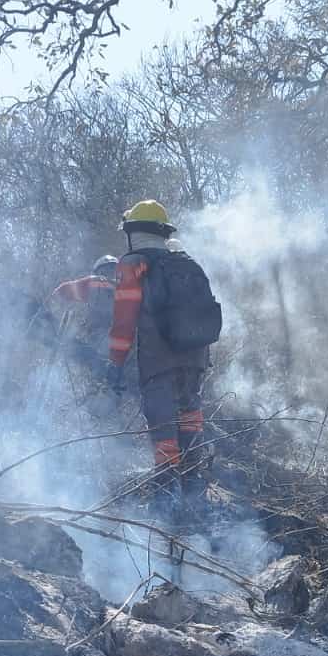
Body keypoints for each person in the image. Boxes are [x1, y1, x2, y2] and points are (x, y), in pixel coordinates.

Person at [105, 200, 222, 517]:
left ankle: (167, 495)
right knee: (189, 415)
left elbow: (124, 321)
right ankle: (193, 486)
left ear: (133, 231)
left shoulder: (135, 263)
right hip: (195, 358)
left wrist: (115, 363)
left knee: (162, 422)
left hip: (159, 360)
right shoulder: (187, 264)